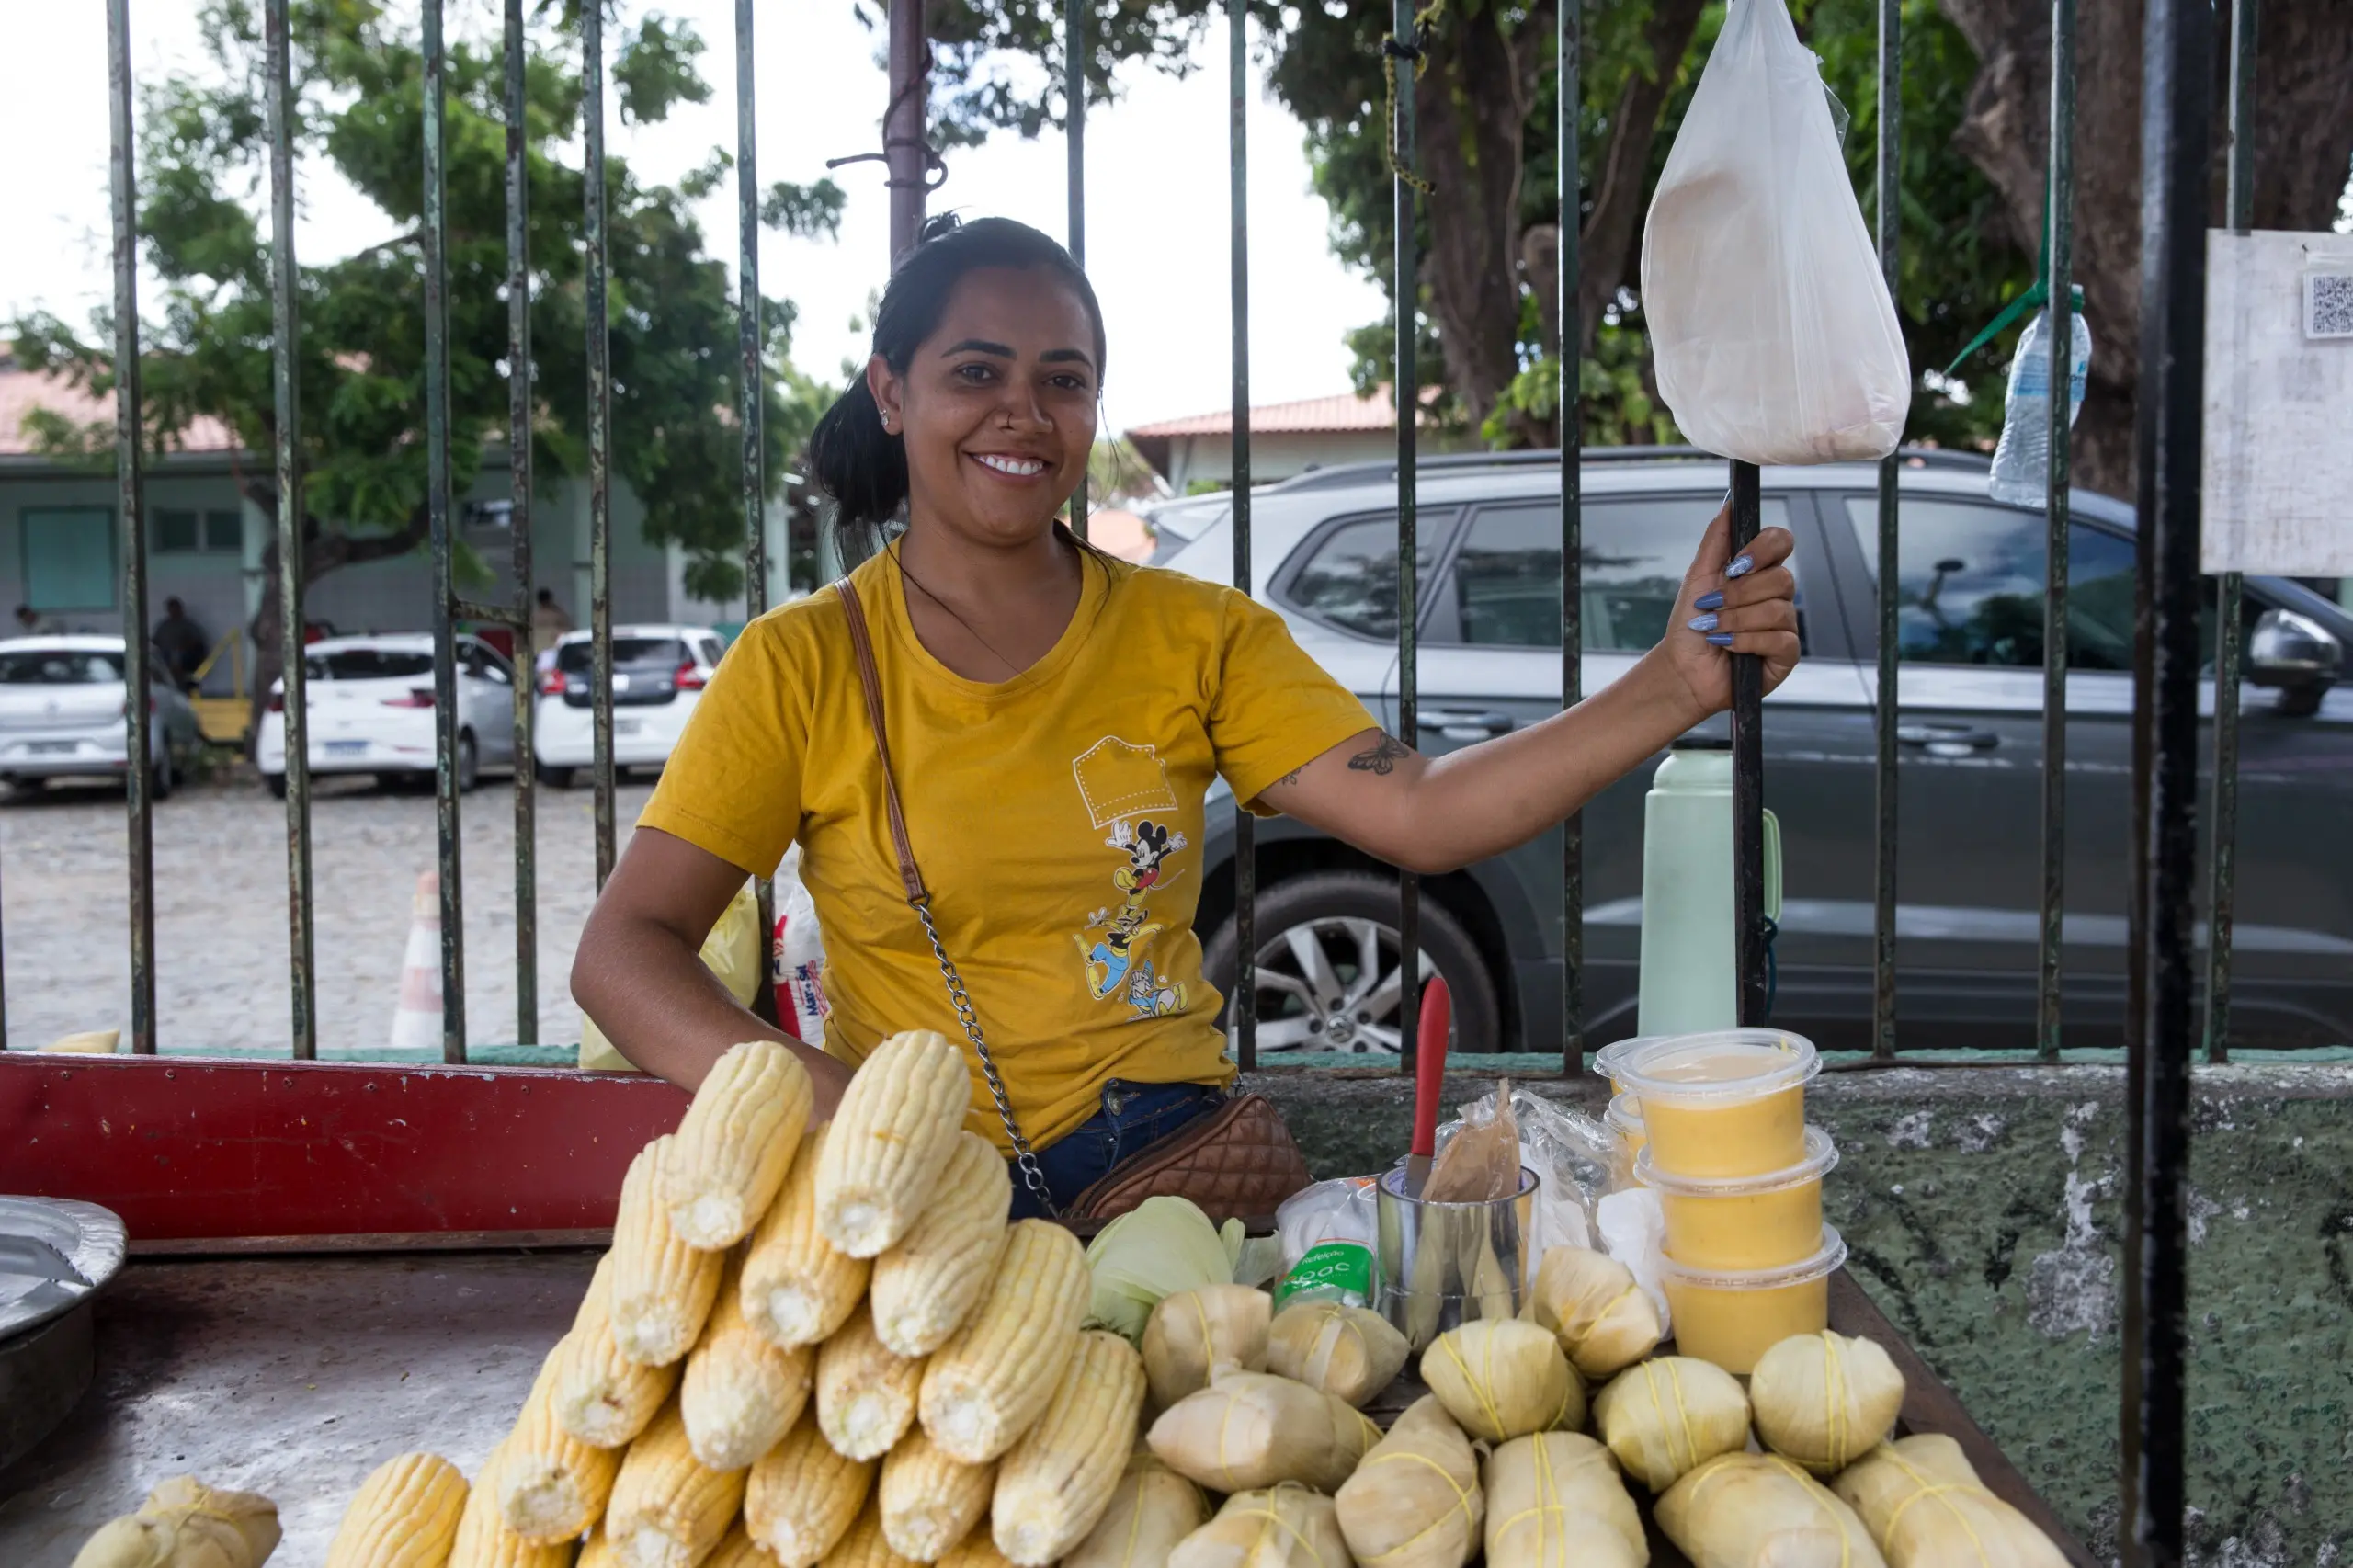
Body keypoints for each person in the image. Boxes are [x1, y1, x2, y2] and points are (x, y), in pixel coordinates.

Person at [570, 215, 1801, 1216]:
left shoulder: (1194, 637)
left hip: (1165, 1169)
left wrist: (1672, 684)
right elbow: (626, 952)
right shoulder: (799, 665)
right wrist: (842, 1108)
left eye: (1063, 379)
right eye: (974, 373)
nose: (1022, 412)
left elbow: (1422, 814)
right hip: (915, 1186)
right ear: (892, 393)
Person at [153, 597, 209, 692]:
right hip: (164, 656)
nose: (174, 612)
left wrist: (182, 648)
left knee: (176, 657)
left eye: (176, 609)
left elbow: (197, 642)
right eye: (171, 609)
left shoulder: (188, 625)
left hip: (184, 656)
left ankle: (180, 689)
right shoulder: (163, 626)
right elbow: (155, 641)